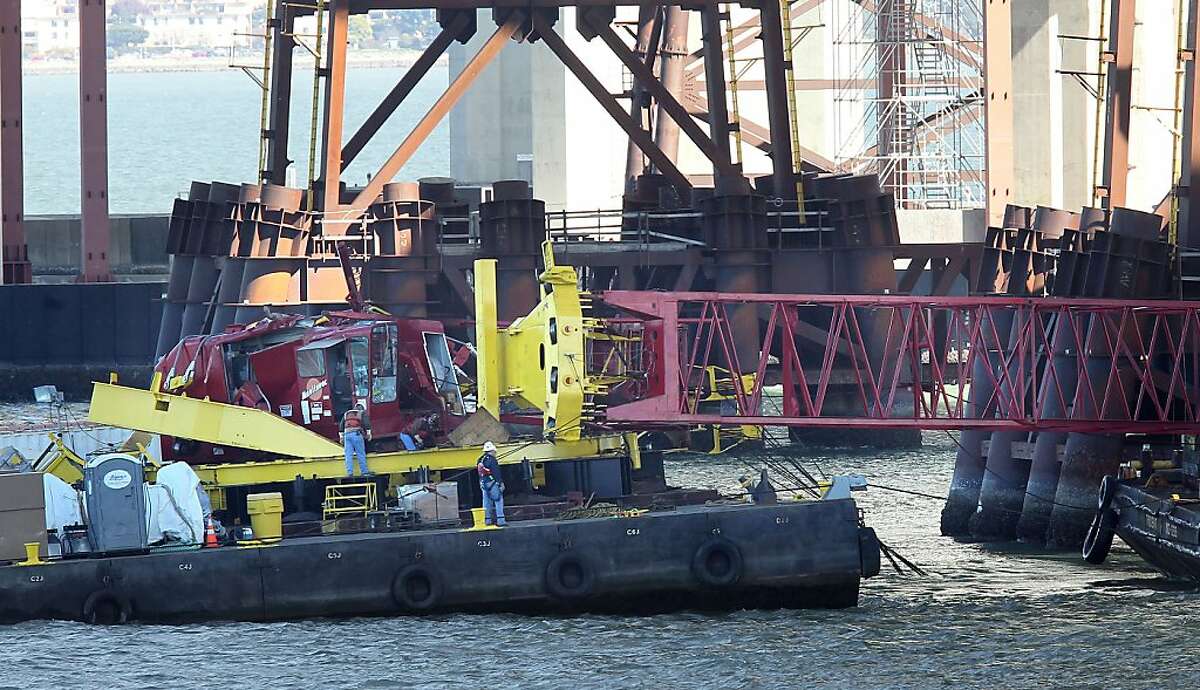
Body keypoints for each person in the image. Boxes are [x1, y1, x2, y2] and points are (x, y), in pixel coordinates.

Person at [476, 441, 506, 526]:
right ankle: (501, 521)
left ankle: (487, 521)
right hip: (492, 483)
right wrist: (500, 483)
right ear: (492, 451)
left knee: (486, 503)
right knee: (498, 500)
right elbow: (496, 472)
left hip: (483, 483)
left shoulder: (480, 459)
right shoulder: (492, 460)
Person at [339, 403, 372, 477]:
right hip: (356, 434)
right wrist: (369, 434)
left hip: (346, 435)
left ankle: (350, 473)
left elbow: (341, 425)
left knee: (348, 455)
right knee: (360, 453)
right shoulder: (361, 413)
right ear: (362, 408)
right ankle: (365, 472)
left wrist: (341, 437)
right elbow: (367, 424)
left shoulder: (346, 413)